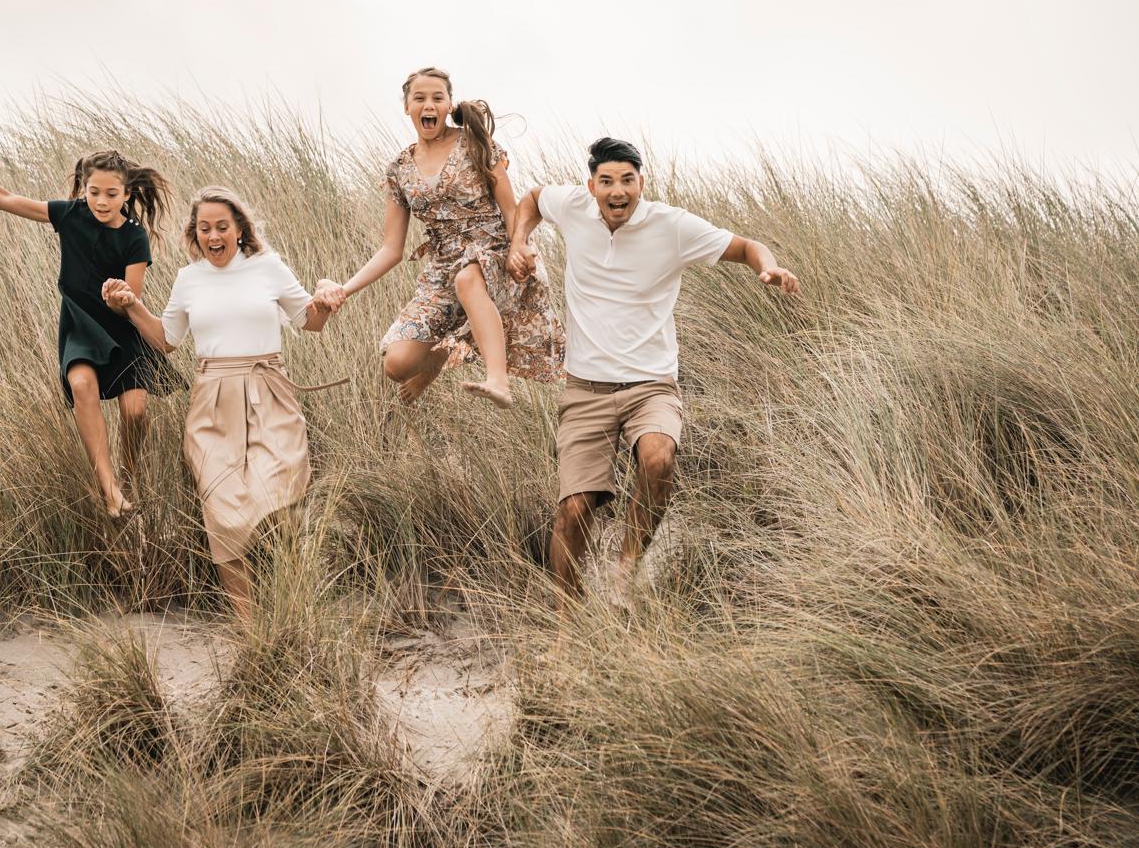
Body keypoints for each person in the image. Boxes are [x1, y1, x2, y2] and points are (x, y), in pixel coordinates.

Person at [507, 137, 800, 609]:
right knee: (573, 511)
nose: (617, 191)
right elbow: (534, 198)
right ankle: (566, 623)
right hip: (586, 389)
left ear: (641, 183)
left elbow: (747, 247)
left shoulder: (671, 226)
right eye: (607, 181)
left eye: (627, 180)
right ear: (592, 186)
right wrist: (520, 240)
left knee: (658, 458)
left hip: (651, 386)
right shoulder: (574, 206)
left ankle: (625, 570)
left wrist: (770, 267)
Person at [103, 185, 341, 619]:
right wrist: (132, 306)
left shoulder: (267, 267)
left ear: (239, 229)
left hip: (270, 391)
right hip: (212, 400)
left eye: (222, 227)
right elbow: (167, 340)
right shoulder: (188, 278)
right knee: (222, 512)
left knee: (281, 498)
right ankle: (249, 625)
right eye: (204, 228)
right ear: (195, 233)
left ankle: (293, 606)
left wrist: (325, 295)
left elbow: (311, 321)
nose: (213, 236)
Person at [0, 148, 181, 518]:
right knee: (82, 385)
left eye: (111, 194)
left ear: (126, 194)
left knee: (135, 411)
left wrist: (119, 297)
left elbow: (131, 299)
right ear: (84, 188)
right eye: (93, 192)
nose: (101, 201)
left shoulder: (135, 237)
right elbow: (4, 198)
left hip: (123, 331)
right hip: (80, 326)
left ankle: (128, 476)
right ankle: (110, 490)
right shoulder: (71, 215)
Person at [314, 66, 562, 406]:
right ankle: (439, 356)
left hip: (496, 251)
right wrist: (344, 289)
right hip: (443, 267)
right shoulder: (399, 169)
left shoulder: (476, 145)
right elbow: (391, 249)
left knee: (467, 279)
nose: (428, 104)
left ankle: (498, 381)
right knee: (397, 365)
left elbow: (510, 209)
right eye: (419, 98)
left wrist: (519, 246)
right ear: (407, 107)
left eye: (437, 98)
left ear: (448, 105)